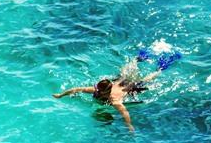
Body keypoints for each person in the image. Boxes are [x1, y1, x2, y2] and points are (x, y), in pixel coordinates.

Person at [53, 50, 181, 133]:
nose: (96, 91)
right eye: (96, 88)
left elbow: (124, 112)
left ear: (105, 92)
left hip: (128, 88)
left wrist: (129, 126)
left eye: (98, 90)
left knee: (144, 80)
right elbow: (76, 89)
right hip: (119, 82)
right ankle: (138, 59)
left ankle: (160, 69)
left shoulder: (115, 101)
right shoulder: (96, 90)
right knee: (124, 72)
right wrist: (61, 95)